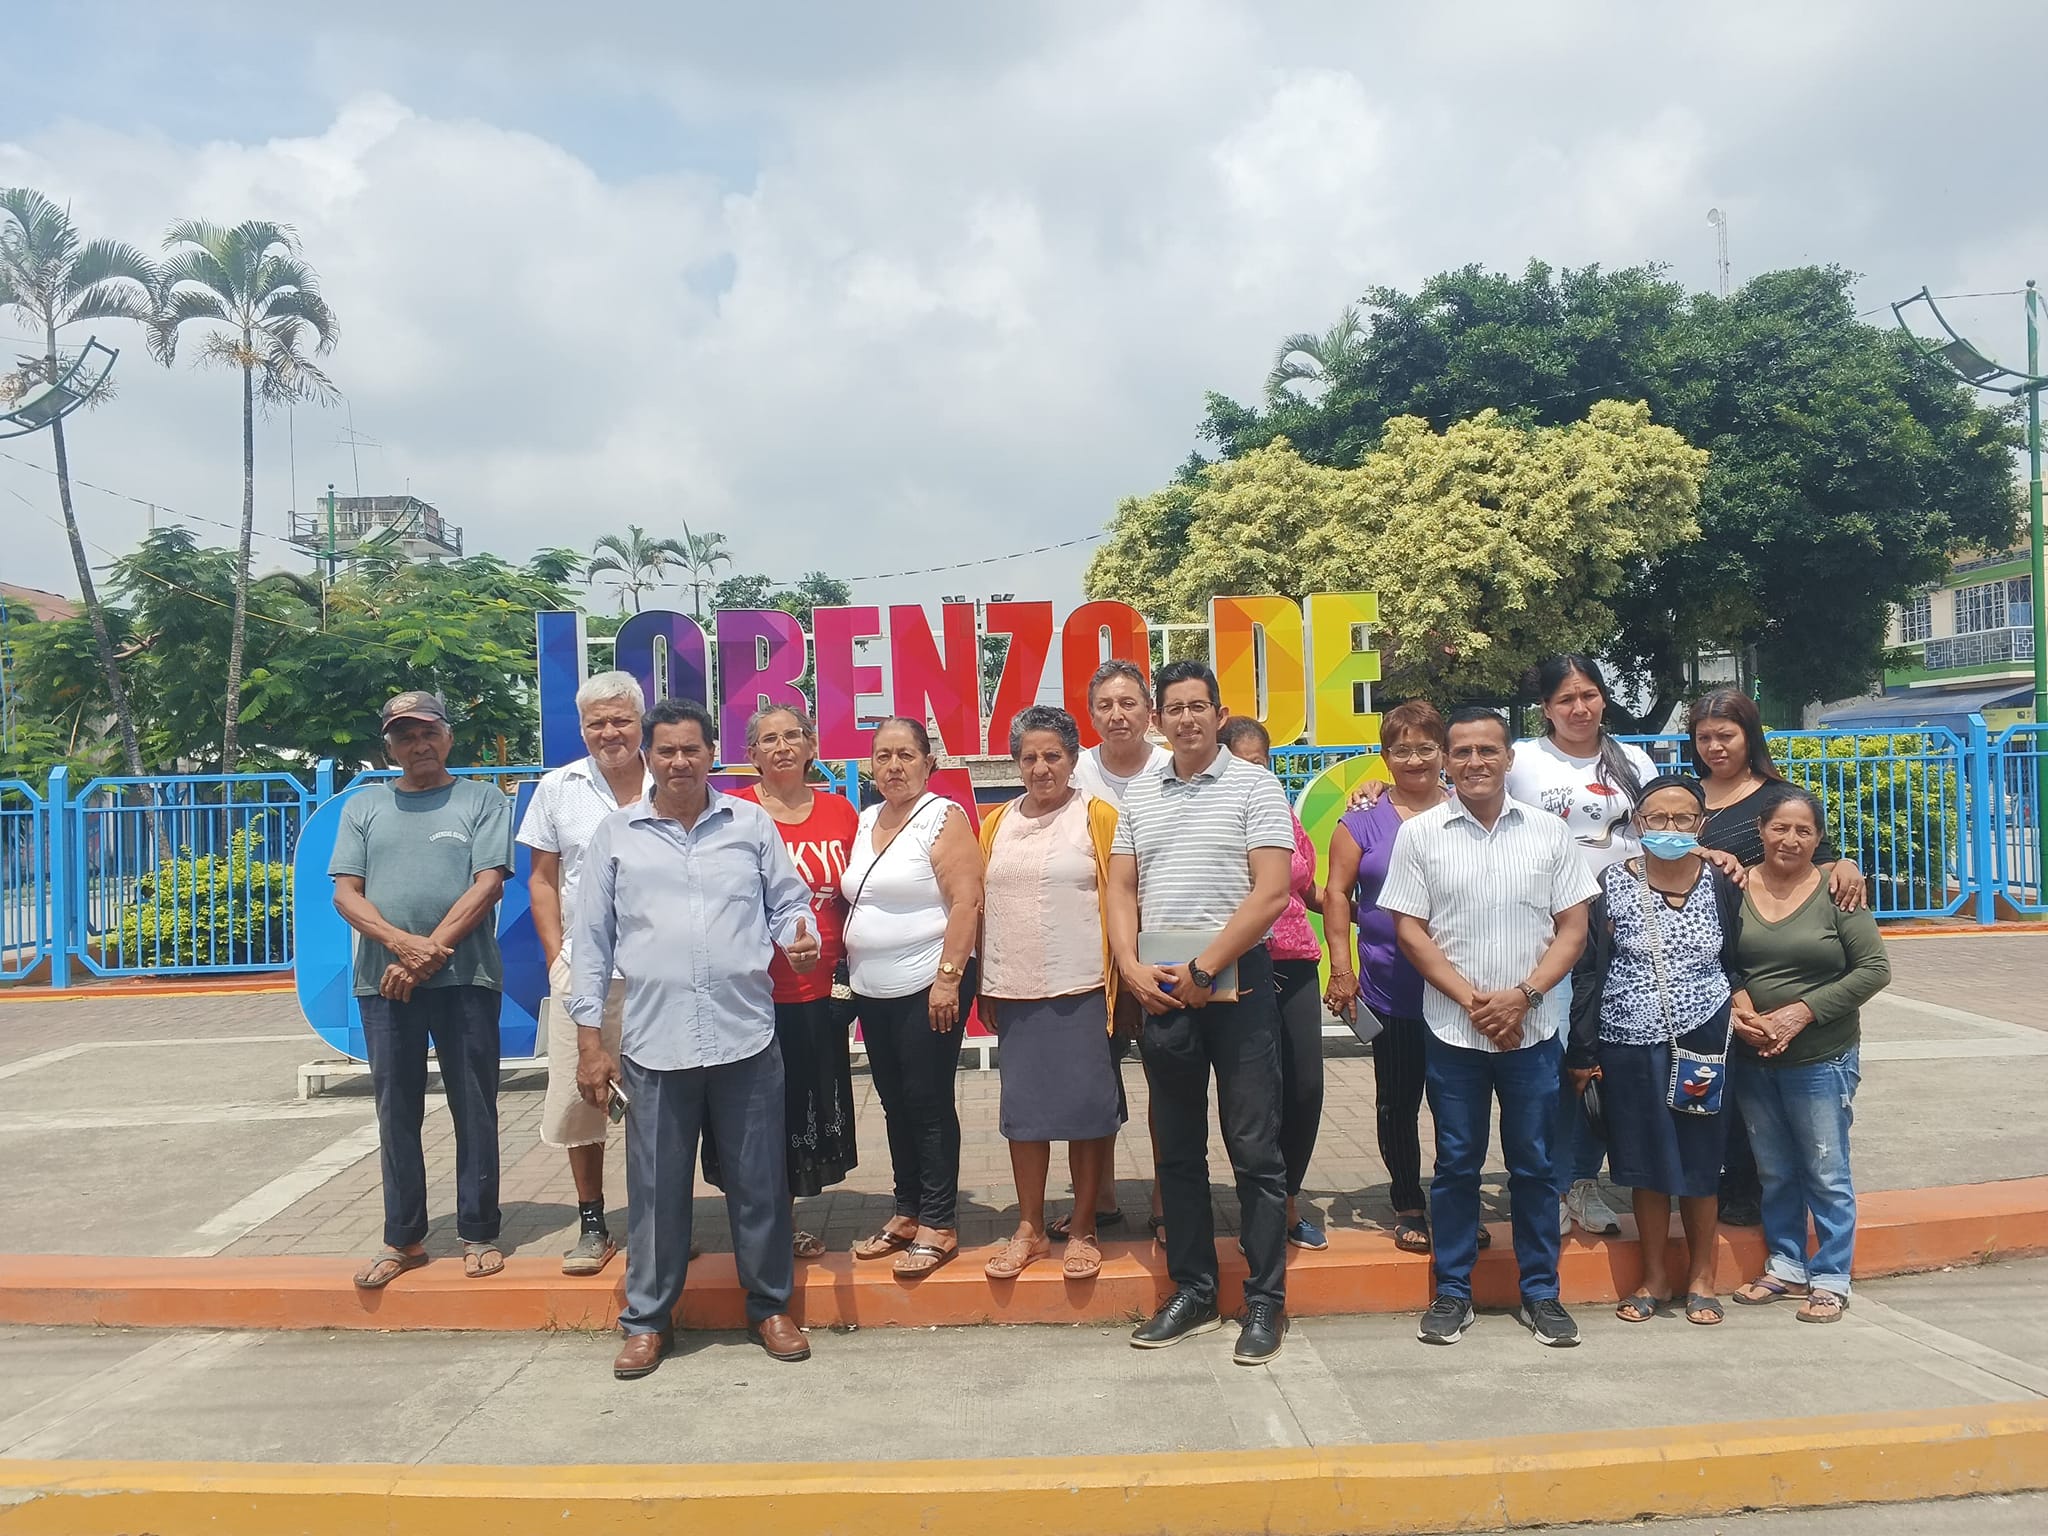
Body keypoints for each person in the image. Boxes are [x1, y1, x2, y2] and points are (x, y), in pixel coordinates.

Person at [569, 699, 822, 1380]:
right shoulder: (616, 835)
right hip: (656, 1045)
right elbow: (590, 944)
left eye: (692, 749)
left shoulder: (750, 824)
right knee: (656, 1191)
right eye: (667, 751)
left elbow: (788, 902)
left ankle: (769, 1307)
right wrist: (590, 1043)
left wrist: (798, 937)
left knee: (759, 1184)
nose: (679, 762)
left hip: (746, 1038)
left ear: (713, 754)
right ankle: (648, 1320)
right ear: (647, 757)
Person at [1377, 707, 1599, 1349]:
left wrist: (1523, 998)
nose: (1475, 762)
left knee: (1534, 1165)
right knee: (1456, 1165)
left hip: (1533, 1031)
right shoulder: (1420, 836)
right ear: (1447, 761)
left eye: (1487, 750)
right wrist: (1475, 1002)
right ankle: (1453, 1291)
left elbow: (1574, 928)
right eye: (1463, 752)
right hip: (1454, 1031)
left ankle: (1542, 1293)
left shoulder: (1548, 833)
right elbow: (1409, 931)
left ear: (1508, 758)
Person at [1110, 659, 1295, 1365]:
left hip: (1237, 986)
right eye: (1175, 708)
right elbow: (1121, 889)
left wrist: (1206, 967)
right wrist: (1129, 966)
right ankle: (1193, 1290)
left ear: (1219, 715)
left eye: (1198, 707)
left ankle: (1264, 1300)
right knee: (1178, 1150)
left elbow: (1271, 891)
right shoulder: (1140, 792)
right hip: (1162, 989)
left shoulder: (1255, 785)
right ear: (1158, 720)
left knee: (1254, 1148)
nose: (1186, 719)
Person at [330, 690, 514, 1289]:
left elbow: (488, 885)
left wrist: (425, 953)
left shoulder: (482, 800)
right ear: (389, 747)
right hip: (383, 982)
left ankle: (479, 1230)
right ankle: (403, 1237)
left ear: (448, 736)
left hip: (465, 978)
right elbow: (346, 894)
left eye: (428, 732)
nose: (419, 745)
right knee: (396, 1109)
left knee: (474, 1105)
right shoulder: (364, 806)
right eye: (405, 736)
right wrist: (401, 945)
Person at [1568, 774, 1750, 1327]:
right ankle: (1653, 1277)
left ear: (1702, 823)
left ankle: (1702, 1278)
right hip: (1628, 1044)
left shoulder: (1723, 881)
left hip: (1704, 1042)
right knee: (1644, 1164)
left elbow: (1739, 958)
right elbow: (1589, 970)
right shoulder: (1609, 883)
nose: (1670, 827)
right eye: (1657, 818)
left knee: (1700, 1160)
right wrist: (1583, 1049)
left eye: (1683, 818)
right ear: (1638, 822)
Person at [1687, 687, 1864, 1230]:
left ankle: (1749, 1189)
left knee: (1758, 1087)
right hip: (1701, 958)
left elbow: (1819, 858)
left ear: (1749, 736)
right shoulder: (1687, 797)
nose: (1715, 747)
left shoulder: (1778, 796)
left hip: (1761, 954)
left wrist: (1847, 863)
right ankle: (1707, 1180)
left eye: (1726, 735)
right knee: (1710, 1078)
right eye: (1704, 737)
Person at [1505, 655, 1659, 1243]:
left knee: (1603, 1060)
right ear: (1546, 707)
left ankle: (1583, 1180)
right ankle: (1546, 1183)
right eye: (1566, 699)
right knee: (1554, 1061)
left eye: (1589, 695)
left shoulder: (1632, 761)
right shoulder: (1522, 760)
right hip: (1546, 935)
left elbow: (1664, 829)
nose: (1579, 708)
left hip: (1622, 931)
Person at [1728, 784, 1890, 1326]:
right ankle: (1787, 1264)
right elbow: (1719, 958)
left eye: (1804, 830)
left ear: (1819, 838)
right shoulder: (1736, 887)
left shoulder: (1838, 891)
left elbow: (1874, 969)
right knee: (1774, 1169)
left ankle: (1831, 1277)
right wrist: (1743, 1010)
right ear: (1760, 830)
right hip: (1754, 1053)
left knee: (1825, 1169)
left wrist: (1801, 1013)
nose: (1790, 839)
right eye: (1780, 827)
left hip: (1822, 1056)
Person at [704, 704, 861, 1259]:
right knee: (753, 1111)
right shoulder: (732, 813)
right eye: (768, 739)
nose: (782, 747)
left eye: (793, 736)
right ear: (751, 755)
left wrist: (848, 976)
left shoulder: (842, 812)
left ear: (812, 746)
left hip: (819, 994)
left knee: (801, 1107)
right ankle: (762, 1224)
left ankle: (783, 1218)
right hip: (749, 993)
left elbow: (855, 899)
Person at [977, 704, 1124, 1282]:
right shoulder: (996, 822)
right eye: (1029, 757)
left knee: (1086, 1113)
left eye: (1053, 756)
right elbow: (981, 903)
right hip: (1014, 989)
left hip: (1081, 986)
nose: (1041, 768)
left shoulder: (1099, 817)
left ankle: (1084, 1227)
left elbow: (1123, 898)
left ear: (1073, 758)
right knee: (1025, 1115)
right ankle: (1030, 1228)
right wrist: (981, 982)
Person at [843, 717, 985, 1278]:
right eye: (883, 756)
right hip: (871, 989)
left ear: (929, 763)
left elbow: (967, 902)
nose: (894, 766)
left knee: (927, 1102)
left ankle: (939, 1221)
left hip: (929, 985)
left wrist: (948, 978)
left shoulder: (943, 817)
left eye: (906, 755)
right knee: (893, 1101)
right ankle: (906, 1210)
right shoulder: (866, 818)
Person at [517, 670, 648, 1276]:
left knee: (657, 1102)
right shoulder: (558, 788)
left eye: (621, 719)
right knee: (581, 1101)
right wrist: (557, 959)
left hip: (658, 973)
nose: (609, 732)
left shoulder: (670, 779)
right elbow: (542, 880)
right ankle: (592, 1222)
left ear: (641, 721)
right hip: (584, 972)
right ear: (582, 727)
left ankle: (655, 1222)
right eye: (597, 722)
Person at [1322, 700, 1456, 1256]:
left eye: (1426, 747)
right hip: (1390, 988)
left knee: (1456, 1104)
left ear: (1443, 752)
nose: (1415, 759)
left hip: (1460, 992)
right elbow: (1336, 895)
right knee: (1397, 1102)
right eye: (1402, 750)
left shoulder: (1467, 810)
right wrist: (1342, 969)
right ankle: (1407, 1203)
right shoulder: (1360, 819)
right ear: (1384, 756)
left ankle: (1455, 1202)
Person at [1065, 656, 1172, 1242]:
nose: (1117, 715)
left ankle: (1165, 1197)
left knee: (1167, 1077)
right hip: (1091, 948)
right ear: (1090, 715)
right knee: (1094, 1079)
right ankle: (1099, 1199)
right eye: (1104, 705)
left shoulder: (1172, 766)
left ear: (1149, 712)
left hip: (1164, 942)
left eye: (1128, 703)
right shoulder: (1075, 771)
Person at [1218, 715, 1328, 1251]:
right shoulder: (1210, 814)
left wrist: (1365, 913)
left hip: (1295, 961)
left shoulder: (1282, 813)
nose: (1253, 775)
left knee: (1304, 1087)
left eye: (1262, 765)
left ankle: (1288, 1198)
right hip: (1236, 963)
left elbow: (1307, 887)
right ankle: (1257, 1207)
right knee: (1252, 1096)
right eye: (1242, 765)